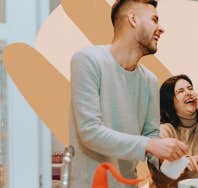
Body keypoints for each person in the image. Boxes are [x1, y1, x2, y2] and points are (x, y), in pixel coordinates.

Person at [69, 1, 188, 187]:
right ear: (133, 19)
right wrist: (150, 145)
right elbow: (89, 131)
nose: (161, 29)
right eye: (154, 20)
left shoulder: (150, 80)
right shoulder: (87, 60)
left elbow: (151, 137)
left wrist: (178, 161)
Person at [150, 74, 198, 187]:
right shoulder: (164, 129)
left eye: (190, 88)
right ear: (170, 101)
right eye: (180, 91)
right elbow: (158, 167)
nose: (188, 93)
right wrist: (183, 160)